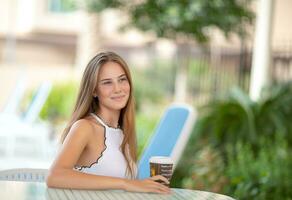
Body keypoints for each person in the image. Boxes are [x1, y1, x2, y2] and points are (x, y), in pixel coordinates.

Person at [46, 52, 170, 194]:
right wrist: (126, 184)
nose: (118, 89)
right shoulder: (85, 127)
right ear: (94, 91)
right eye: (107, 82)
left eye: (122, 80)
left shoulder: (123, 133)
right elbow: (55, 176)